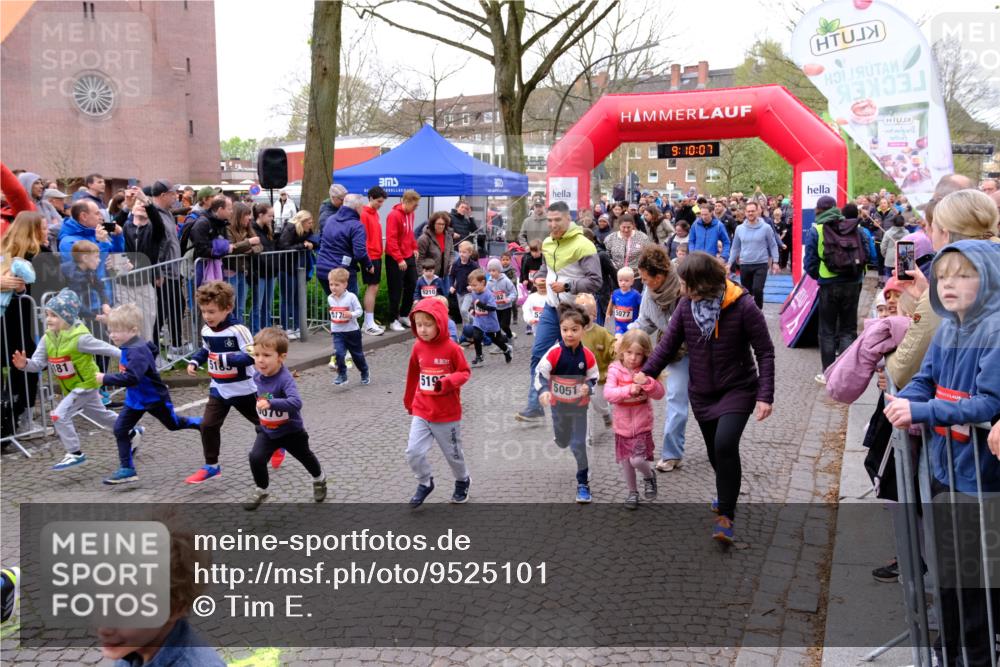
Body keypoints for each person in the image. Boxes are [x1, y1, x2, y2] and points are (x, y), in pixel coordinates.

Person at [884, 240, 1000, 666]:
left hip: (979, 481)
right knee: (948, 578)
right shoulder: (950, 325)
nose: (949, 284)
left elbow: (988, 403)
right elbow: (926, 377)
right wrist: (907, 400)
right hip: (945, 468)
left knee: (977, 588)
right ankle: (949, 653)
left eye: (963, 275)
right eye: (944, 275)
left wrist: (921, 410)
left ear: (988, 278)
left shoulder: (995, 330)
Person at [640, 252, 775, 542]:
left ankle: (726, 516)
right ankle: (726, 490)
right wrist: (646, 373)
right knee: (717, 452)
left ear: (703, 282)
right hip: (702, 393)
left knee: (725, 444)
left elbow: (765, 351)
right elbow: (667, 345)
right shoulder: (686, 307)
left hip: (738, 388)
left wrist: (765, 395)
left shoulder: (743, 305)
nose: (682, 288)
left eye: (686, 283)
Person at [11, 289, 124, 472]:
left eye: (54, 316)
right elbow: (38, 364)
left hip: (85, 384)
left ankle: (75, 452)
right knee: (102, 416)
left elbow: (108, 349)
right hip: (70, 387)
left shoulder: (80, 338)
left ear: (67, 318)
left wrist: (130, 357)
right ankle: (131, 430)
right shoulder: (47, 338)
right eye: (47, 315)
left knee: (58, 415)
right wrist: (25, 364)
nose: (48, 319)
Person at [516, 202, 602, 422]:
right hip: (552, 309)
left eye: (557, 220)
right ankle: (535, 406)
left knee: (582, 363)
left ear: (568, 219)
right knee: (538, 354)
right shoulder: (547, 242)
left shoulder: (584, 245)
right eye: (549, 220)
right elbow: (546, 269)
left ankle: (598, 408)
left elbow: (595, 281)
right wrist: (539, 278)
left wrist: (567, 287)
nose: (553, 224)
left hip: (576, 312)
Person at [98, 304, 202, 484]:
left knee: (174, 424)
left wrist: (105, 378)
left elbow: (132, 378)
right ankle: (127, 469)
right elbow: (152, 348)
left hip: (154, 398)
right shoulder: (132, 343)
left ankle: (202, 423)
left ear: (133, 330)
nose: (112, 335)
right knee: (120, 429)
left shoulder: (136, 351)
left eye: (117, 331)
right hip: (135, 400)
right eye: (110, 330)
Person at [185, 281, 260, 484]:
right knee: (208, 425)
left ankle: (277, 443)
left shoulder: (238, 330)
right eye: (203, 312)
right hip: (219, 388)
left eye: (212, 312)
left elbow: (253, 357)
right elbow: (206, 350)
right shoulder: (206, 330)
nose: (207, 317)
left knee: (263, 424)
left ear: (227, 309)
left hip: (244, 388)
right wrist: (194, 360)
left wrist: (225, 360)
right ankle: (212, 466)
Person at [244, 327, 327, 510]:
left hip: (291, 431)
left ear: (281, 357)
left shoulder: (285, 379)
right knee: (256, 458)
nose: (260, 360)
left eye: (266, 355)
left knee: (306, 458)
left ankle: (319, 479)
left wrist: (271, 403)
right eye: (256, 354)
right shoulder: (257, 376)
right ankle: (262, 489)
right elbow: (260, 396)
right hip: (268, 430)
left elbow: (295, 403)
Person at [403, 297, 472, 507]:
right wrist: (409, 402)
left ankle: (462, 481)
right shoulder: (417, 347)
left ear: (440, 323)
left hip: (446, 414)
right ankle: (425, 482)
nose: (423, 330)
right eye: (419, 325)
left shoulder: (452, 348)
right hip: (422, 410)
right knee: (413, 452)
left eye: (428, 325)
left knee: (453, 455)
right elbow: (413, 375)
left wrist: (448, 381)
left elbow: (465, 373)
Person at [629, 245, 689, 473]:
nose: (643, 282)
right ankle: (672, 454)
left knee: (709, 402)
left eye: (646, 279)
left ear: (661, 276)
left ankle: (718, 447)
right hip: (674, 351)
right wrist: (625, 336)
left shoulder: (684, 285)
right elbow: (645, 322)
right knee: (676, 398)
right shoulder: (649, 292)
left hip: (701, 349)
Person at [535, 302, 600, 503]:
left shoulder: (587, 356)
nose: (569, 334)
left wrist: (587, 387)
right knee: (563, 440)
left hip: (579, 408)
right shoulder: (554, 353)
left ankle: (582, 483)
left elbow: (594, 377)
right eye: (565, 330)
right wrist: (545, 390)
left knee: (578, 444)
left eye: (574, 330)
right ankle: (561, 438)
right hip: (558, 407)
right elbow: (541, 374)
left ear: (583, 330)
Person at [804, 195, 869, 384]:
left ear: (818, 210)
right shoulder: (854, 227)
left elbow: (809, 263)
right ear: (836, 208)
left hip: (829, 285)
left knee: (827, 330)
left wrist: (821, 276)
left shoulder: (817, 229)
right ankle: (846, 374)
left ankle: (829, 375)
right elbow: (866, 253)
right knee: (848, 329)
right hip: (852, 283)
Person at [604, 328, 666, 509]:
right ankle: (632, 492)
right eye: (629, 352)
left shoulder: (646, 371)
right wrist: (627, 390)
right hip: (621, 427)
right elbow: (609, 394)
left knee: (637, 460)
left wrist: (647, 382)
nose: (633, 358)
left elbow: (659, 394)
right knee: (626, 463)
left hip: (641, 426)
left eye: (638, 354)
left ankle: (649, 476)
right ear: (621, 350)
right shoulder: (615, 369)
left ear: (645, 354)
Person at [575, 293, 615, 446]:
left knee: (599, 404)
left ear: (594, 314)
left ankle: (606, 413)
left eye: (587, 315)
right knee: (584, 407)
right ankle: (587, 437)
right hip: (580, 378)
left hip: (600, 378)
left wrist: (615, 353)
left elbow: (613, 346)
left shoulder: (601, 332)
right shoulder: (574, 332)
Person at [315, 192, 371, 297]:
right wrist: (368, 265)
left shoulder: (330, 219)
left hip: (322, 269)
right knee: (349, 306)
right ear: (358, 207)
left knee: (335, 304)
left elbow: (322, 240)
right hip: (341, 271)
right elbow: (360, 253)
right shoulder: (356, 226)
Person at [728, 201, 779, 310]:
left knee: (758, 289)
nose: (750, 213)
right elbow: (735, 247)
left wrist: (775, 262)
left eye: (752, 211)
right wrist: (729, 263)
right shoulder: (739, 229)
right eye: (748, 211)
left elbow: (773, 245)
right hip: (745, 264)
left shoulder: (766, 228)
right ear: (745, 213)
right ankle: (748, 313)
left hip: (761, 264)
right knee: (746, 292)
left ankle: (758, 311)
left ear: (757, 212)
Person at [327, 268, 370, 387]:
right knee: (339, 353)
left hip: (352, 331)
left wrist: (351, 314)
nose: (333, 287)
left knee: (357, 356)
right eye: (331, 284)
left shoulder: (351, 297)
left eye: (337, 285)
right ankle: (342, 374)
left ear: (345, 284)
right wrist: (333, 326)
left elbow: (360, 311)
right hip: (337, 332)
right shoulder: (330, 298)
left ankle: (364, 371)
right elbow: (333, 313)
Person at [277, 210, 316, 337]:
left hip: (299, 269)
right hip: (286, 268)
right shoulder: (290, 228)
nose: (311, 225)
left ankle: (298, 326)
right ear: (303, 221)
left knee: (298, 299)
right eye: (309, 222)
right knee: (287, 298)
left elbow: (314, 240)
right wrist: (302, 246)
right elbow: (283, 247)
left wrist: (311, 244)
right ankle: (286, 327)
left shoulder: (307, 231)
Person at [386, 190, 420, 331]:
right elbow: (391, 239)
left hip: (408, 254)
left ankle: (404, 314)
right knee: (396, 288)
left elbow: (410, 233)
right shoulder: (394, 215)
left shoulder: (411, 214)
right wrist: (399, 259)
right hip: (395, 257)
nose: (416, 207)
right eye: (414, 205)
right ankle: (393, 319)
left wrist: (414, 247)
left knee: (412, 284)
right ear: (406, 201)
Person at [466, 268, 512, 367]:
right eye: (471, 285)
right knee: (476, 336)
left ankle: (506, 350)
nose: (472, 288)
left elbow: (492, 308)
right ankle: (479, 356)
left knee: (495, 340)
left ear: (482, 282)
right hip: (479, 320)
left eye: (474, 285)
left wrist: (480, 305)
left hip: (490, 322)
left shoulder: (488, 294)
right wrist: (472, 308)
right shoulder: (474, 293)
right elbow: (474, 302)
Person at [360, 186, 387, 335]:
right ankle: (368, 322)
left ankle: (369, 320)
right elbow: (363, 239)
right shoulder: (364, 214)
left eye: (382, 202)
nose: (380, 204)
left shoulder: (374, 214)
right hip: (370, 255)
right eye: (379, 201)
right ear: (370, 198)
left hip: (376, 254)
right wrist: (367, 261)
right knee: (372, 287)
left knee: (374, 287)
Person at [249, 203, 279, 333]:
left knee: (267, 304)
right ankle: (255, 331)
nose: (272, 218)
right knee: (258, 304)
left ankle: (266, 330)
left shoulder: (268, 229)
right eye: (270, 215)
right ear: (260, 215)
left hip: (271, 271)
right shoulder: (252, 229)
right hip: (259, 272)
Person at [417, 210, 454, 296]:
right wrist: (422, 277)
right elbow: (419, 259)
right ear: (433, 224)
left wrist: (451, 263)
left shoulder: (448, 237)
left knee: (444, 298)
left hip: (445, 275)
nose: (441, 226)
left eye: (443, 224)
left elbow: (451, 253)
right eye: (438, 224)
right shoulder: (424, 239)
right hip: (429, 276)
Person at [448, 240, 478, 329]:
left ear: (470, 253)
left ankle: (466, 330)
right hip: (459, 292)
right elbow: (451, 276)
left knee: (464, 310)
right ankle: (475, 322)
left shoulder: (473, 265)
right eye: (460, 252)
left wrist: (472, 286)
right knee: (462, 313)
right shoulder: (456, 264)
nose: (461, 254)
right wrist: (451, 286)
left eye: (464, 252)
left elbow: (478, 276)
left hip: (469, 292)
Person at [486, 258, 516, 347]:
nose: (491, 273)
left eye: (494, 270)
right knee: (497, 327)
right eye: (490, 271)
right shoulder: (489, 282)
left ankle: (510, 337)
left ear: (499, 270)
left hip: (506, 307)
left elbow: (514, 292)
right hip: (496, 308)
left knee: (504, 325)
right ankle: (501, 344)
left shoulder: (506, 281)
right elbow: (488, 294)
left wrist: (509, 299)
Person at [608, 266, 642, 338]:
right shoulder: (615, 293)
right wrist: (608, 312)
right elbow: (611, 301)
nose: (623, 283)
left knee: (630, 344)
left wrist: (641, 317)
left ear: (632, 281)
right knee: (618, 340)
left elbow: (643, 306)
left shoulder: (636, 295)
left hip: (632, 326)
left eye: (626, 281)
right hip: (619, 326)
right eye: (620, 280)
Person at [880, 213, 909, 281]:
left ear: (893, 223)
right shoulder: (907, 233)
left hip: (889, 259)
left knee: (890, 280)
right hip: (903, 259)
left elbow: (883, 247)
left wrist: (886, 255)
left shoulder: (888, 233)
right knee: (901, 281)